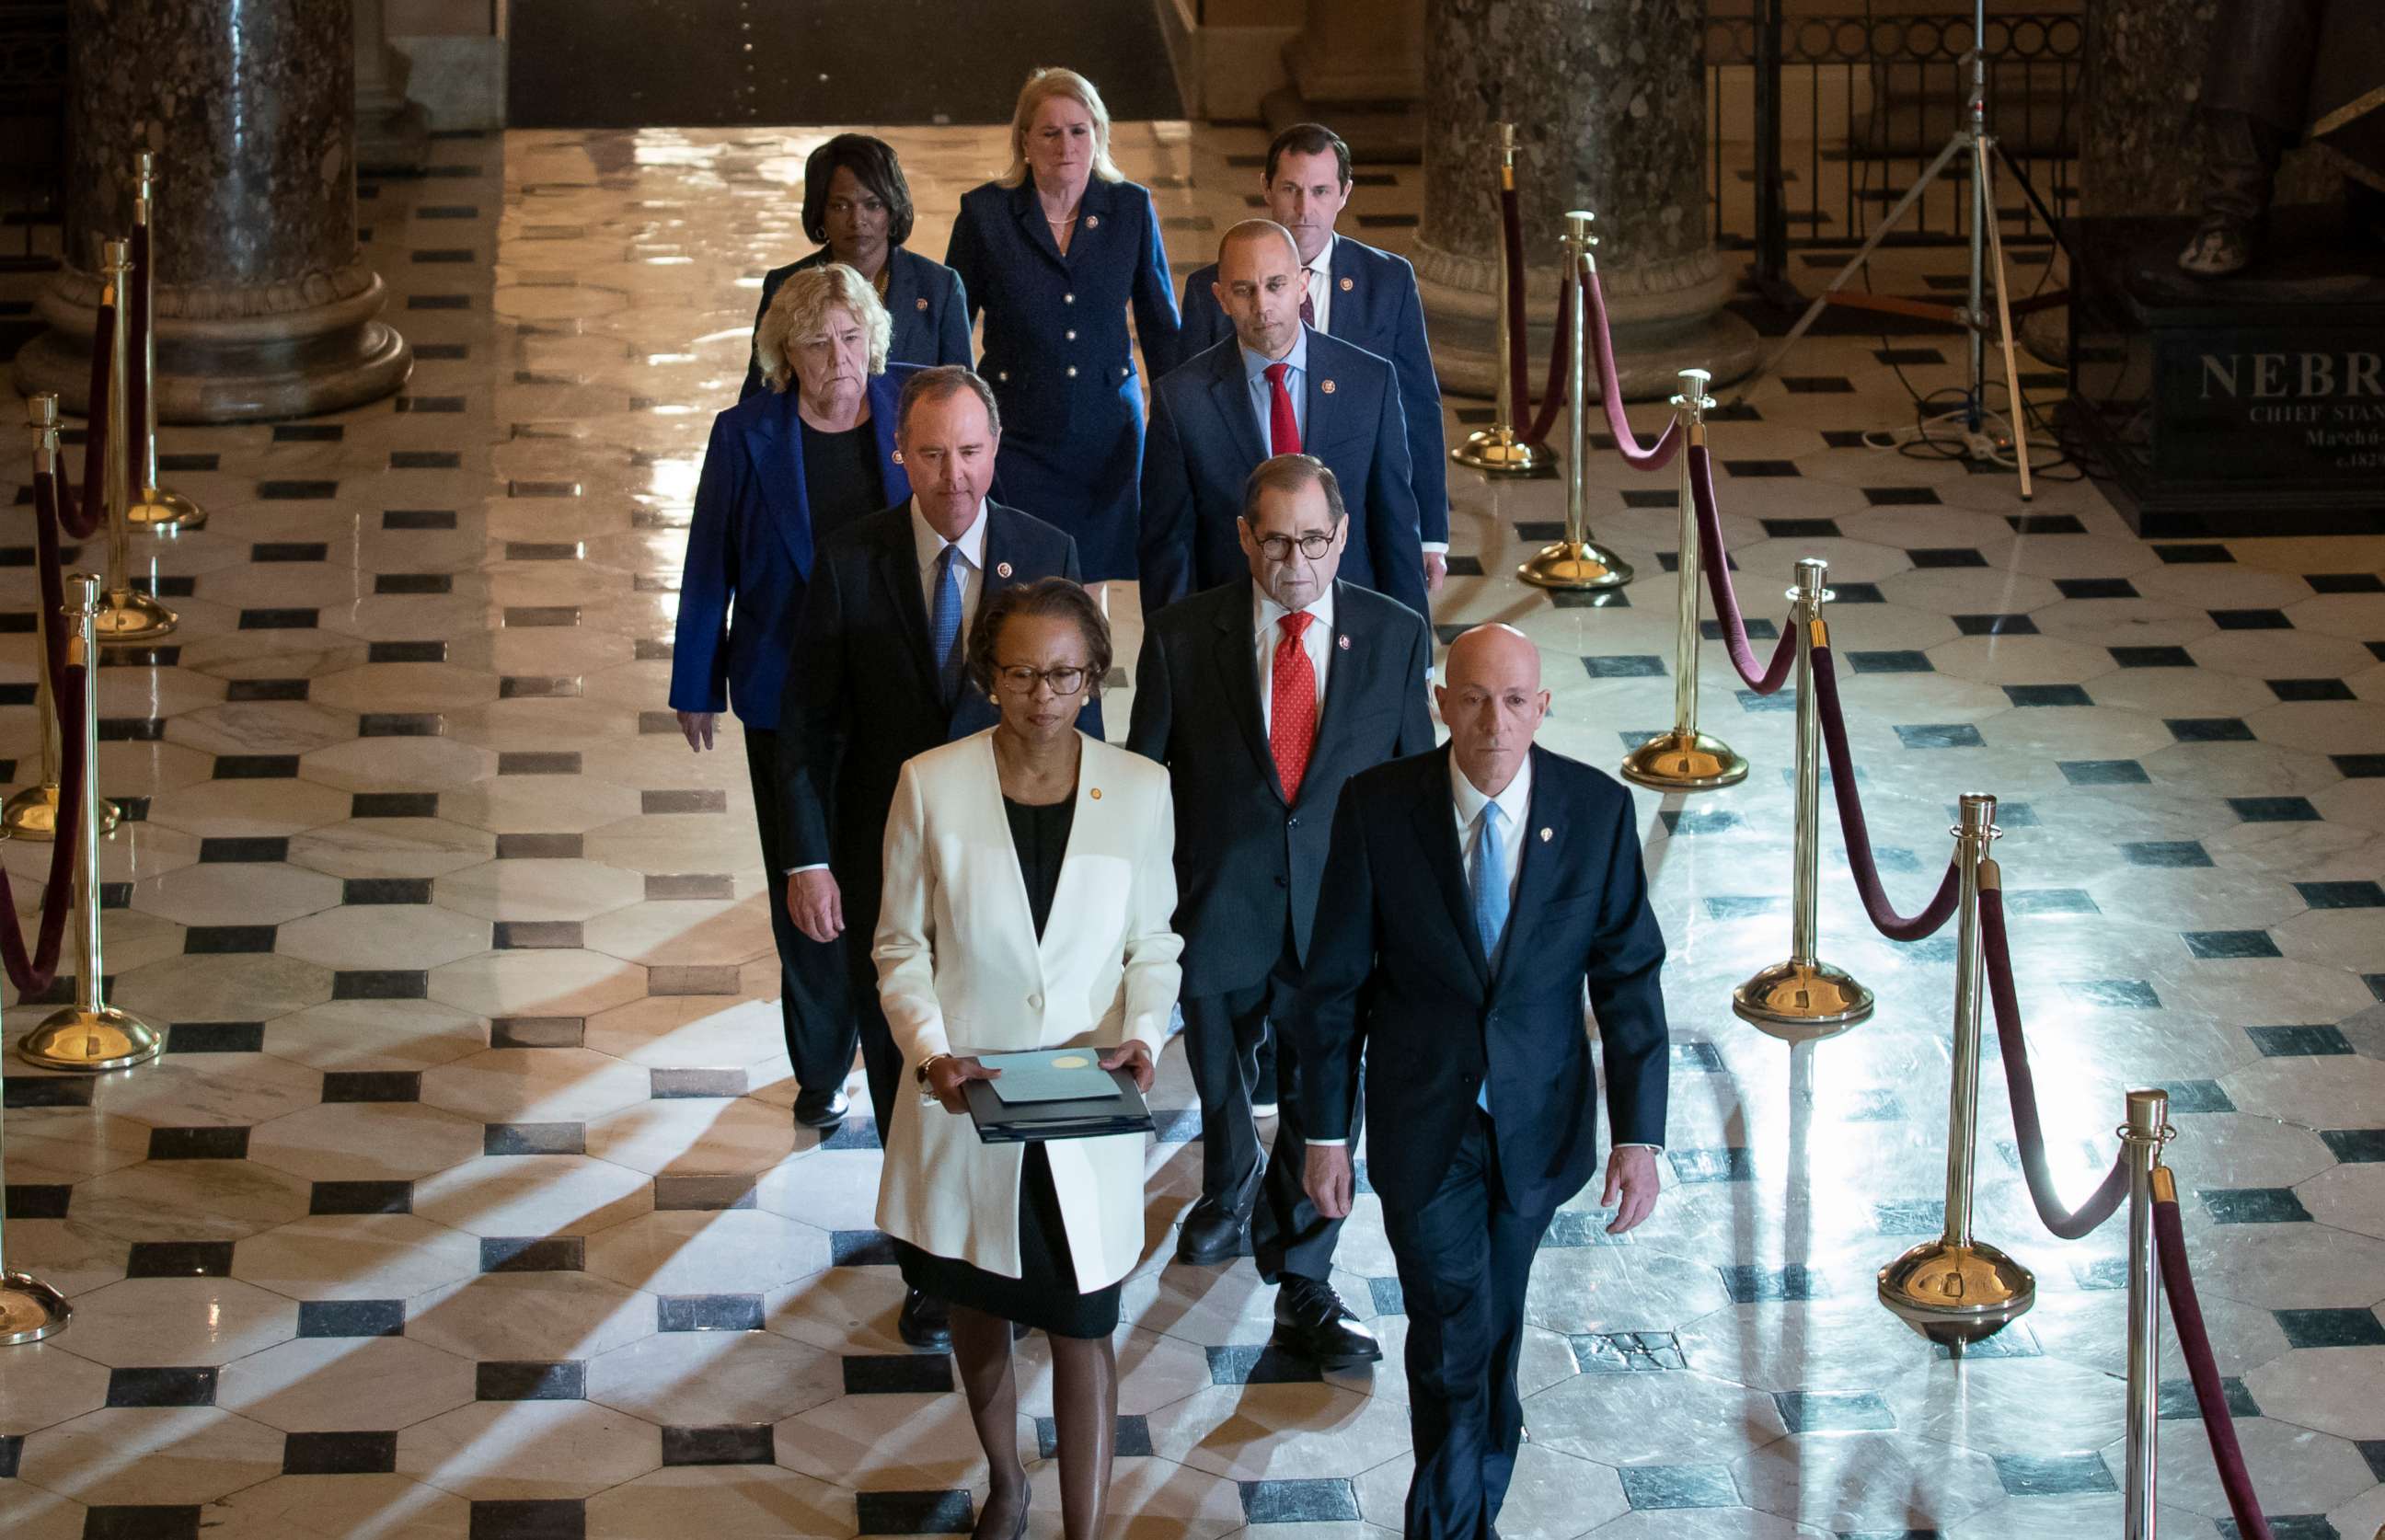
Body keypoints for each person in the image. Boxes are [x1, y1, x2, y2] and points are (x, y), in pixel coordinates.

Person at [1285, 624, 1672, 1540]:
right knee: (1457, 1328)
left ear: (1542, 708)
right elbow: (1332, 987)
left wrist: (1638, 1136)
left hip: (1539, 1129)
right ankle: (1454, 1527)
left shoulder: (1596, 811)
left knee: (1488, 1331)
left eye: (1513, 701)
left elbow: (1627, 979)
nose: (1493, 721)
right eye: (1473, 698)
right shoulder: (1379, 809)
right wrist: (1324, 1133)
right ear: (1440, 702)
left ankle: (1475, 1474)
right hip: (1427, 1127)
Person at [777, 365, 1098, 1352]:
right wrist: (808, 858)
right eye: (931, 453)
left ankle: (1031, 1247)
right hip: (894, 866)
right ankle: (929, 1266)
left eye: (969, 451)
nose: (953, 475)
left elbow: (1086, 717)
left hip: (1019, 863)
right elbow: (806, 729)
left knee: (1016, 1045)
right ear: (899, 456)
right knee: (908, 1061)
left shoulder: (1048, 553)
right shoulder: (848, 562)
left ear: (994, 451)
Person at [875, 577, 1181, 1540]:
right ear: (987, 676)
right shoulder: (930, 783)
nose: (1043, 694)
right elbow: (900, 947)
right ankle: (1007, 1479)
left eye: (1064, 674)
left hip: (1085, 1109)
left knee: (1085, 1321)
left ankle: (1085, 1531)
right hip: (970, 1106)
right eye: (1020, 673)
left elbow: (1155, 945)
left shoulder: (1140, 790)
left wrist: (1147, 1028)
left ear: (1093, 677)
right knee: (978, 1300)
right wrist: (931, 1056)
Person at [1124, 453, 1432, 1369]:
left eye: (1312, 540)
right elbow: (1144, 782)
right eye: (1274, 539)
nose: (1292, 561)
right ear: (1244, 536)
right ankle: (1228, 1185)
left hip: (1340, 916)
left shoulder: (1393, 633)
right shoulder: (1183, 636)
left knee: (1320, 1092)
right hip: (1218, 904)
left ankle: (1304, 1272)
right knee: (1220, 1071)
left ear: (1339, 539)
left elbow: (1414, 784)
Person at [672, 264, 912, 1132]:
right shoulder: (747, 435)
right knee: (805, 881)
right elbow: (709, 563)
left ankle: (901, 1041)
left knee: (891, 874)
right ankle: (820, 1065)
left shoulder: (907, 415)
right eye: (817, 343)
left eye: (852, 338)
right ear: (786, 355)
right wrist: (696, 679)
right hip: (783, 689)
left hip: (894, 686)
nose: (839, 359)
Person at [1176, 123, 1449, 591]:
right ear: (1266, 188)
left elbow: (1417, 411)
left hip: (1351, 529)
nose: (1305, 209)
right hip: (1246, 534)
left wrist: (1431, 538)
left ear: (1344, 193)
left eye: (1321, 191)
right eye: (1291, 189)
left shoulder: (1388, 282)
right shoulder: (1209, 290)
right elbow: (1188, 422)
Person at [944, 67, 1182, 585]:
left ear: (1098, 134)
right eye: (1050, 132)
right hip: (1016, 432)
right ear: (1025, 141)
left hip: (1108, 438)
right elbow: (951, 328)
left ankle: (1083, 672)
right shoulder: (985, 213)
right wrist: (953, 424)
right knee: (1019, 578)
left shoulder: (1130, 208)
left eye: (1079, 129)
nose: (1066, 145)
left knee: (1090, 584)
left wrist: (1183, 423)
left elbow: (1161, 326)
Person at [1137, 220, 1426, 620]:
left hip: (1350, 625)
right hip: (1232, 631)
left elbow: (1395, 526)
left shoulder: (1368, 382)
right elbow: (1168, 550)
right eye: (1244, 290)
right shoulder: (1181, 399)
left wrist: (1416, 662)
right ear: (1220, 298)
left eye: (1276, 285)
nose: (1262, 306)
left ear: (1302, 286)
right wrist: (1172, 664)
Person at [742, 133, 971, 396]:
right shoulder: (784, 286)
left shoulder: (939, 287)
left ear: (892, 209)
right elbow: (762, 392)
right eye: (840, 206)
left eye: (872, 205)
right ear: (820, 213)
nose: (857, 219)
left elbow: (961, 395)